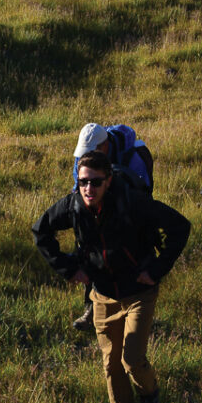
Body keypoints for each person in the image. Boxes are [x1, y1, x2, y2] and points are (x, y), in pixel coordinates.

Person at [33, 152, 191, 403]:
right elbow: (40, 232)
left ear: (109, 181)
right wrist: (68, 270)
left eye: (95, 182)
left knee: (131, 358)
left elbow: (180, 227)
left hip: (138, 291)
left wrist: (156, 269)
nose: (88, 189)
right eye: (83, 182)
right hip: (103, 294)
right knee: (111, 362)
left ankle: (150, 398)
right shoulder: (74, 206)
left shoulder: (132, 202)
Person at [68, 123, 156, 330]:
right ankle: (91, 310)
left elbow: (143, 194)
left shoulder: (134, 157)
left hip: (128, 209)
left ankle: (134, 309)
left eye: (91, 153)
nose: (84, 158)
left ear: (104, 147)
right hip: (95, 207)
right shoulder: (84, 156)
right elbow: (77, 188)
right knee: (90, 252)